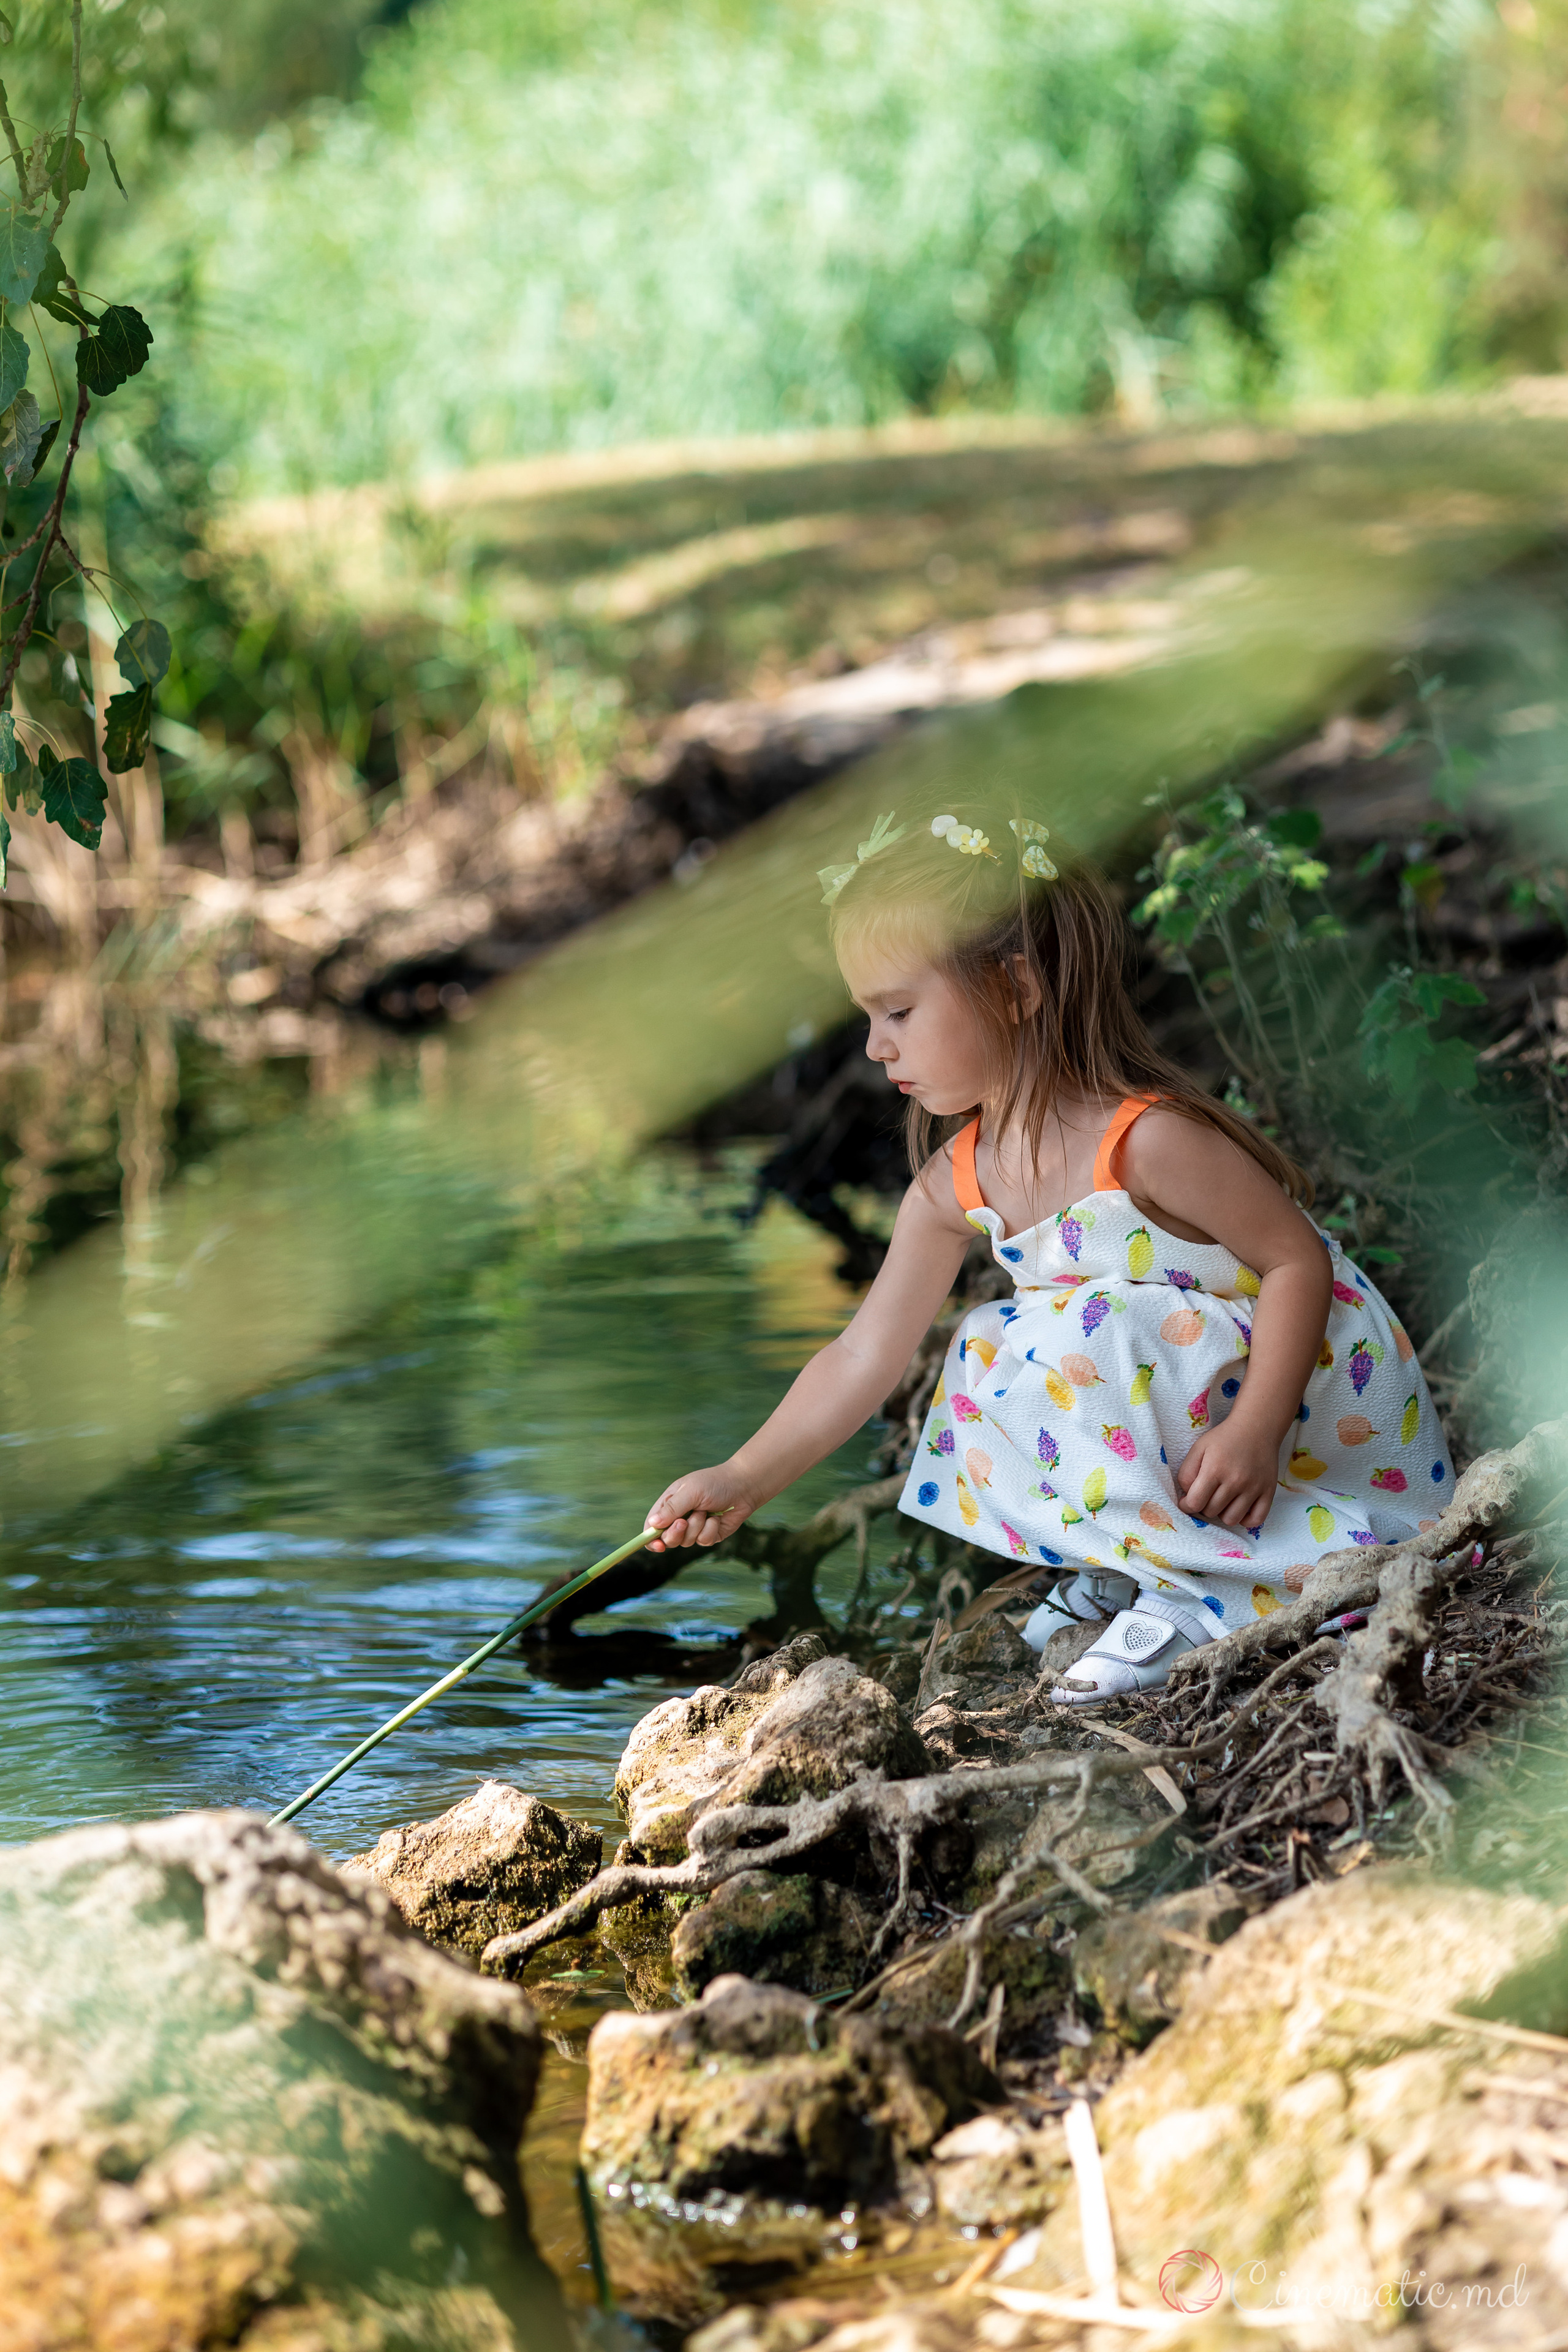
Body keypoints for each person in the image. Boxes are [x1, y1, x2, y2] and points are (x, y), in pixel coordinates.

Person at [644, 800, 1453, 1704]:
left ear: (1016, 988)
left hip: (1302, 1403)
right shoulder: (955, 1181)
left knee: (1094, 1328)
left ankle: (1206, 1591)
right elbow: (863, 1354)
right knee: (985, 1350)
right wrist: (743, 1477)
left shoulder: (1146, 1141)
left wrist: (1256, 1428)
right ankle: (1137, 1557)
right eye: (868, 1015)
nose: (875, 1046)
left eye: (899, 1009)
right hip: (1183, 1393)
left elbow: (1299, 1262)